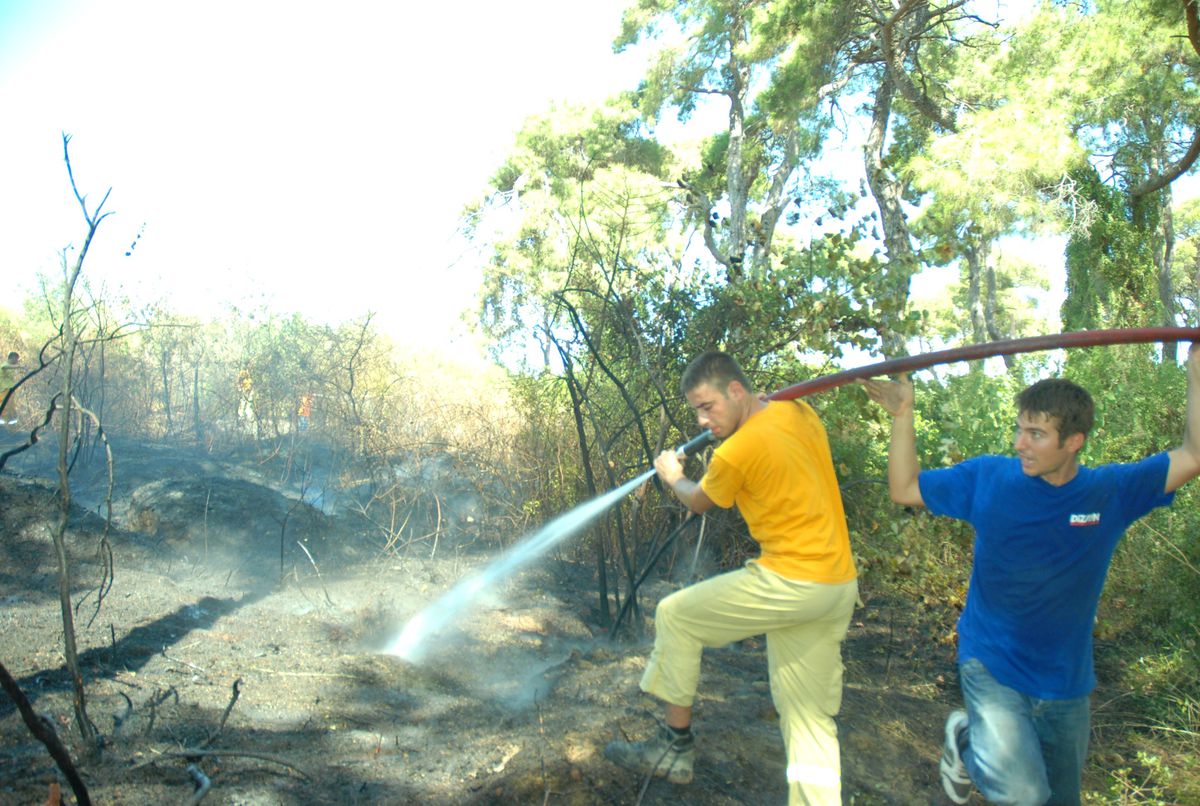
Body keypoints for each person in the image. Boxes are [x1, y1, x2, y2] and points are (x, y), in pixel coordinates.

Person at [859, 344, 1200, 805]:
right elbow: (904, 488)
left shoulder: (1110, 493)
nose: (1020, 443)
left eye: (1036, 434)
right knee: (1023, 794)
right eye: (1020, 430)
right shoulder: (989, 479)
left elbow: (1193, 455)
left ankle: (968, 739)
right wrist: (903, 415)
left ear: (1073, 441)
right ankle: (968, 742)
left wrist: (1196, 372)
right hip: (991, 662)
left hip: (1066, 680)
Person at [604, 351, 859, 805]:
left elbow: (699, 501)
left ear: (736, 391)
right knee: (808, 719)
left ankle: (673, 749)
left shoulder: (736, 452)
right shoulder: (797, 410)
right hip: (836, 584)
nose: (704, 420)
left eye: (708, 407)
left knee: (676, 615)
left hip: (792, 581)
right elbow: (766, 424)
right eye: (697, 411)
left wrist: (672, 475)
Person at [1, 351, 24, 425]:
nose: (17, 361)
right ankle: (3, 422)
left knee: (10, 406)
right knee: (5, 405)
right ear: (13, 358)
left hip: (9, 389)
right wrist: (19, 366)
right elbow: (4, 367)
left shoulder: (11, 366)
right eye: (17, 359)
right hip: (4, 389)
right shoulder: (5, 364)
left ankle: (9, 422)